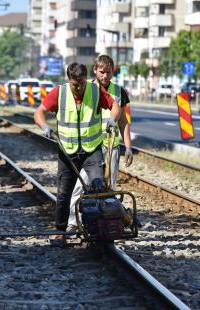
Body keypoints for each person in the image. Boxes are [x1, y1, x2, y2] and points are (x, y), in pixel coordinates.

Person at [34, 62, 120, 247]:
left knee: (98, 187)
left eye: (81, 83)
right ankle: (60, 231)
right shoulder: (59, 92)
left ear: (85, 78)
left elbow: (115, 106)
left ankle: (99, 228)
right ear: (69, 80)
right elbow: (39, 112)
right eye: (75, 84)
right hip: (68, 152)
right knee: (64, 193)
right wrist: (44, 126)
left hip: (92, 150)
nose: (79, 88)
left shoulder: (95, 91)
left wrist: (112, 119)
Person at [67, 55, 134, 230]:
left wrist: (128, 147)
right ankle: (73, 223)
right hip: (91, 146)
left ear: (113, 72)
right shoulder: (87, 88)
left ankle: (105, 223)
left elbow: (123, 122)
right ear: (95, 70)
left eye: (109, 72)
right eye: (102, 72)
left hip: (111, 145)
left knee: (109, 188)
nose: (105, 76)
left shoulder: (119, 92)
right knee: (82, 184)